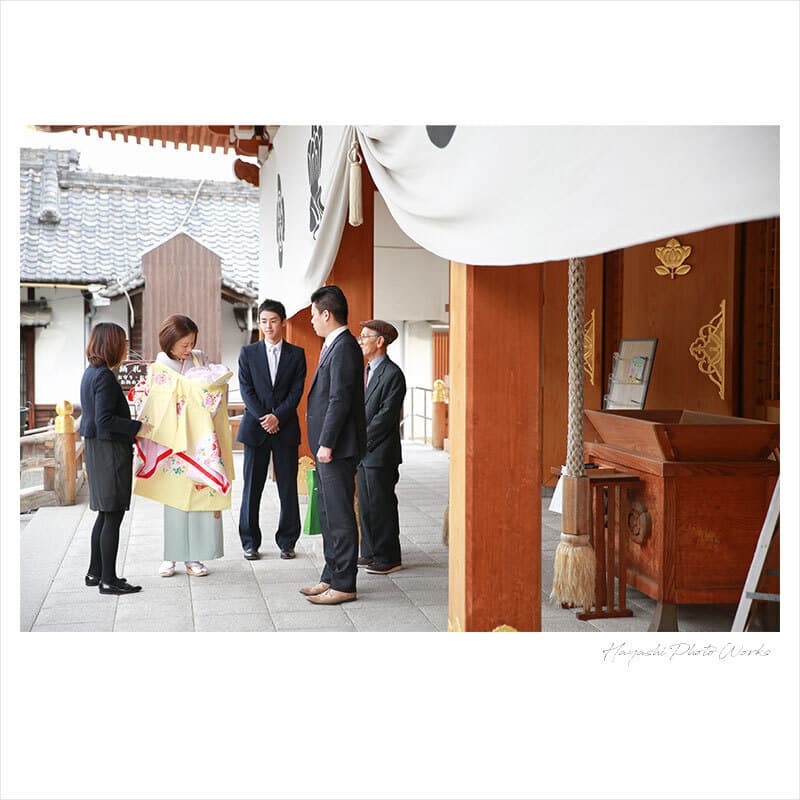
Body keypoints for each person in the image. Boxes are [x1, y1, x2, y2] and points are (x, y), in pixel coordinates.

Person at [133, 315, 234, 578]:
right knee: (175, 500)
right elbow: (153, 401)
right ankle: (171, 556)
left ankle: (195, 557)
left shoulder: (200, 359)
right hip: (172, 442)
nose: (188, 350)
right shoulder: (160, 364)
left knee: (200, 496)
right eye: (183, 345)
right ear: (170, 342)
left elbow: (215, 391)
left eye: (191, 343)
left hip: (198, 440)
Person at [300, 285, 366, 605]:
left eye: (314, 315)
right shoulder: (332, 344)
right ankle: (330, 575)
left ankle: (344, 584)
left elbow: (339, 399)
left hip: (337, 448)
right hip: (328, 448)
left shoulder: (344, 347)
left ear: (327, 314)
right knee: (327, 514)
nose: (311, 321)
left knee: (339, 516)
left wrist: (326, 442)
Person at [80, 322, 151, 595]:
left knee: (104, 513)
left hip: (97, 449)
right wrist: (138, 427)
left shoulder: (91, 373)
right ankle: (108, 580)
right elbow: (105, 420)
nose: (125, 348)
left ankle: (94, 572)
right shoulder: (105, 377)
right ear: (112, 344)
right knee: (113, 515)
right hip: (109, 451)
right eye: (122, 342)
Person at [237, 298, 307, 560]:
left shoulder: (296, 354)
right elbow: (246, 391)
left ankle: (287, 541)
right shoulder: (248, 353)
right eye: (263, 321)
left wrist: (278, 417)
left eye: (273, 320)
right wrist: (265, 417)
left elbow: (296, 391)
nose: (268, 326)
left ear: (283, 322)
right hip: (255, 430)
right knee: (251, 487)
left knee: (287, 487)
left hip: (285, 428)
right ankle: (249, 542)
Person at [356, 320, 407, 574]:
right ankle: (370, 551)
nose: (361, 340)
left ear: (380, 341)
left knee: (382, 504)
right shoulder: (365, 370)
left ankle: (389, 557)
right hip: (364, 452)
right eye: (360, 336)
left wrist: (361, 439)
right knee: (366, 504)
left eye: (365, 336)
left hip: (381, 452)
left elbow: (386, 417)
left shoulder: (392, 374)